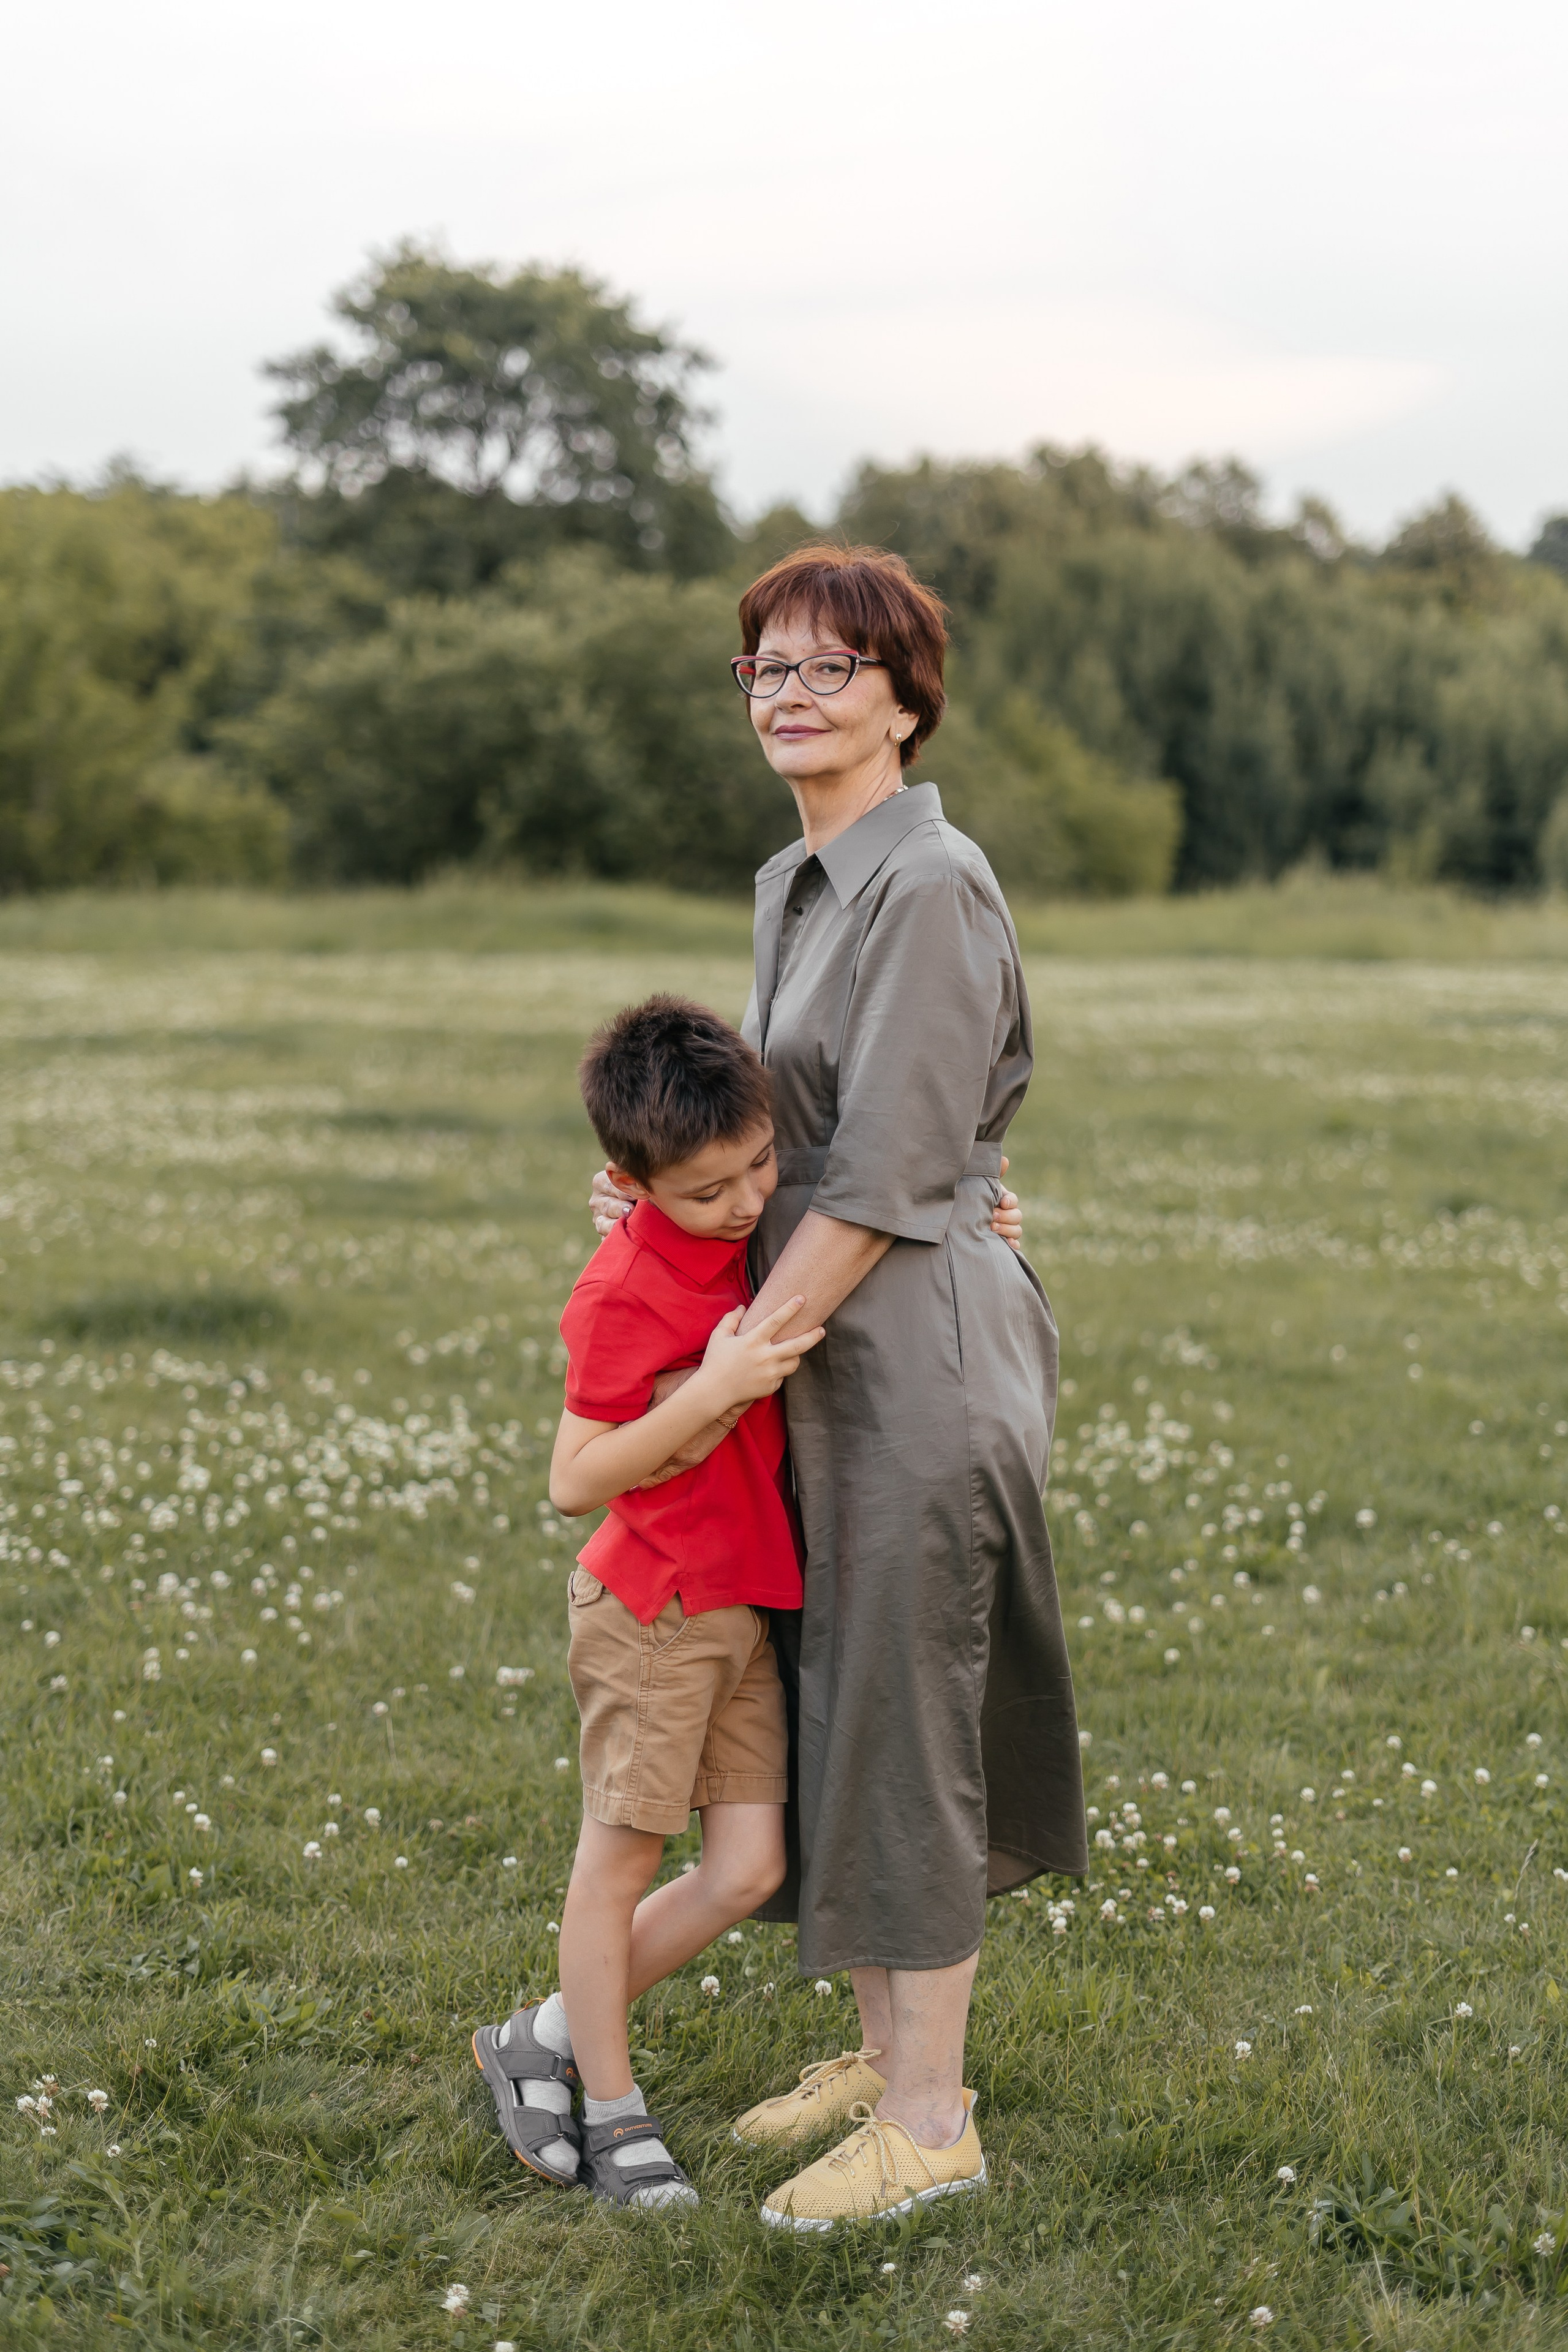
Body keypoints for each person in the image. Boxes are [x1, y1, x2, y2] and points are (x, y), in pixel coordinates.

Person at [592, 545, 1087, 2230]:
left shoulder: (931, 881)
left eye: (829, 667)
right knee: (836, 1702)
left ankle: (935, 2120)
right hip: (821, 1344)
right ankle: (879, 2058)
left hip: (908, 1354)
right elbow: (788, 1127)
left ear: (903, 698)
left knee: (906, 1715)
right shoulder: (793, 878)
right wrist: (660, 1196)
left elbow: (883, 1174)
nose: (790, 695)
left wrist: (737, 1363)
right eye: (766, 670)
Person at [473, 997, 823, 2208]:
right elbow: (573, 1476)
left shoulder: (743, 1230)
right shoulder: (623, 1282)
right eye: (706, 1188)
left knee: (743, 1870)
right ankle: (615, 2113)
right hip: (653, 1610)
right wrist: (717, 1387)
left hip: (740, 1602)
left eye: (759, 1165)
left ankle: (546, 2036)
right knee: (617, 1862)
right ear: (632, 1178)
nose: (741, 1201)